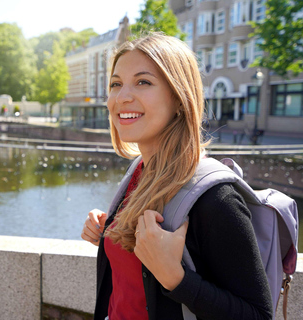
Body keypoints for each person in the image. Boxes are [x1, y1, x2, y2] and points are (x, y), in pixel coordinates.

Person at [81, 33, 272, 320]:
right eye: (116, 84)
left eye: (143, 82)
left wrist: (175, 278)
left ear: (180, 98)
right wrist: (111, 228)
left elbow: (257, 315)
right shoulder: (140, 171)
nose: (122, 97)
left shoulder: (216, 199)